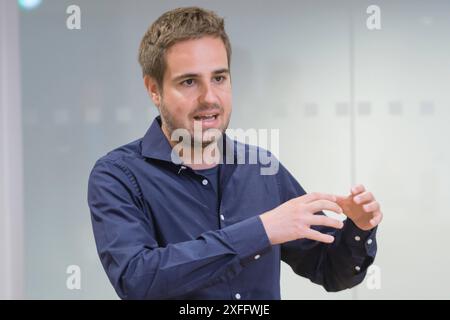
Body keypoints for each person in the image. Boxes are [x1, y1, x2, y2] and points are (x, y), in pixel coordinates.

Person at [87, 6, 383, 300]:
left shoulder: (261, 168)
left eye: (219, 78)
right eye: (189, 82)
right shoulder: (118, 176)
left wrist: (358, 228)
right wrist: (261, 230)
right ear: (154, 89)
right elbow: (137, 279)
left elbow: (330, 271)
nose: (210, 98)